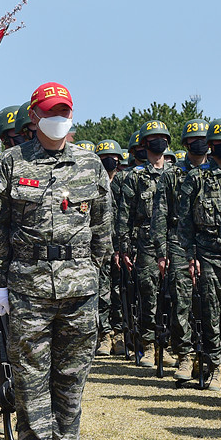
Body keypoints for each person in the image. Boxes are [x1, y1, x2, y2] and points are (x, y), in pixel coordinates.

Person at [0, 82, 112, 440]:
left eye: (65, 111)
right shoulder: (10, 164)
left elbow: (103, 230)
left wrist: (96, 276)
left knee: (72, 378)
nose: (60, 118)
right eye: (52, 111)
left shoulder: (90, 165)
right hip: (28, 286)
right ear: (35, 116)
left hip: (80, 287)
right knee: (31, 377)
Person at [178, 118, 221, 390]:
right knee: (210, 310)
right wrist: (190, 255)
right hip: (206, 252)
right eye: (219, 143)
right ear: (211, 146)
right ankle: (214, 365)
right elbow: (184, 222)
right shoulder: (197, 177)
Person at [151, 119, 209, 381]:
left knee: (210, 303)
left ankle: (209, 358)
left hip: (210, 244)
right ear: (186, 143)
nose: (200, 144)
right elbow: (160, 215)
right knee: (181, 300)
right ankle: (185, 356)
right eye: (195, 139)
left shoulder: (215, 173)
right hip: (178, 243)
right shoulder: (171, 175)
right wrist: (161, 253)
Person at [117, 120, 173, 370]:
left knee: (174, 296)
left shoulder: (176, 174)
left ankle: (170, 345)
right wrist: (124, 248)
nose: (158, 142)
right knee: (148, 295)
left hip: (173, 241)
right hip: (145, 242)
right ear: (144, 144)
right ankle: (149, 346)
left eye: (162, 138)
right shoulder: (135, 177)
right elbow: (124, 215)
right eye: (153, 138)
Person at [94, 140, 124, 356]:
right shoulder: (93, 184)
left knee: (121, 291)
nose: (109, 160)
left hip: (123, 248)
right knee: (102, 292)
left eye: (113, 157)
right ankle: (104, 335)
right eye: (105, 157)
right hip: (102, 248)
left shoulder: (125, 183)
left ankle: (121, 333)